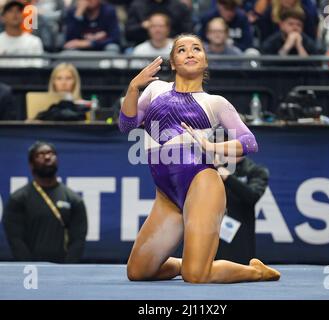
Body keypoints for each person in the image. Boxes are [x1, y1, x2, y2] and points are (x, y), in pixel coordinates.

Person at [118, 33, 280, 283]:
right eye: (182, 50)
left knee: (196, 276)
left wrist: (212, 147)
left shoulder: (214, 102)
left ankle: (255, 271)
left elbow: (249, 142)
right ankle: (195, 261)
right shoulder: (155, 89)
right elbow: (127, 125)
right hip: (167, 194)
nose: (190, 53)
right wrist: (132, 87)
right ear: (172, 63)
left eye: (197, 49)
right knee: (138, 272)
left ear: (205, 61)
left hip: (202, 184)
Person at [2, 141, 88, 263]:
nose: (47, 157)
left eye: (51, 153)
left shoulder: (73, 199)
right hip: (30, 271)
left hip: (63, 271)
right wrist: (30, 266)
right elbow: (15, 239)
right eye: (40, 155)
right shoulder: (18, 199)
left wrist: (68, 268)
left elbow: (78, 240)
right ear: (31, 164)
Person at [215, 155, 269, 264]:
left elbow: (252, 196)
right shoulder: (212, 169)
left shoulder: (256, 170)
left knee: (241, 269)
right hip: (214, 229)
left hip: (241, 234)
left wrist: (227, 176)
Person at [0, 0, 44, 67]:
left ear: (24, 16)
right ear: (3, 17)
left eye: (19, 11)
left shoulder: (34, 41)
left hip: (27, 77)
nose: (15, 14)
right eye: (10, 11)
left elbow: (37, 69)